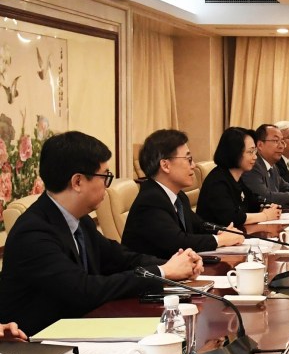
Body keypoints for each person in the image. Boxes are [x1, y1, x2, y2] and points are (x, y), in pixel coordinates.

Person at [0, 131, 202, 336]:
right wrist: (163, 272)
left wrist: (177, 263)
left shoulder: (80, 220)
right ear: (77, 182)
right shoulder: (33, 233)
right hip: (42, 342)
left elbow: (120, 258)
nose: (107, 185)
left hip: (82, 328)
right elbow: (83, 290)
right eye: (105, 176)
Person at [122, 130, 245, 258]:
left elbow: (200, 226)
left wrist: (223, 231)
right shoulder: (150, 200)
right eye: (188, 159)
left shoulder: (179, 197)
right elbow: (178, 242)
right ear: (165, 165)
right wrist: (221, 239)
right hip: (151, 269)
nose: (194, 165)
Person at [196, 127, 282, 228]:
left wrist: (268, 207)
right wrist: (265, 216)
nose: (255, 157)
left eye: (255, 151)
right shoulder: (217, 182)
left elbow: (252, 202)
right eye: (250, 152)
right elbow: (232, 218)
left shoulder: (236, 177)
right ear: (234, 152)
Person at [240, 124, 289, 209]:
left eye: (282, 141)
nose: (281, 146)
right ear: (260, 145)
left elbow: (286, 187)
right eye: (275, 141)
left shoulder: (272, 166)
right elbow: (265, 196)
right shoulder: (253, 166)